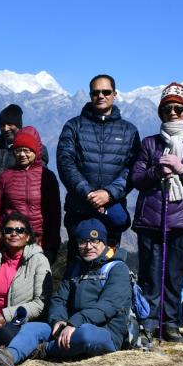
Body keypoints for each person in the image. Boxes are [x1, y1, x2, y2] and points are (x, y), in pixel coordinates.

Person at [0, 218, 131, 366]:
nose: (89, 247)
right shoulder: (75, 268)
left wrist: (75, 322)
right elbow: (59, 299)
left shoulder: (117, 268)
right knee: (32, 328)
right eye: (83, 242)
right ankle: (8, 357)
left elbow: (108, 306)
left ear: (104, 242)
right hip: (70, 326)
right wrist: (59, 320)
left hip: (106, 331)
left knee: (86, 335)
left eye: (95, 241)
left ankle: (42, 349)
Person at [130, 82, 183, 343]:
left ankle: (171, 323)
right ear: (161, 113)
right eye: (168, 109)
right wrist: (156, 172)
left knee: (175, 275)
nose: (173, 113)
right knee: (150, 274)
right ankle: (150, 321)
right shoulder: (149, 144)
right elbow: (136, 178)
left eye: (178, 108)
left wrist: (182, 170)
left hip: (182, 221)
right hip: (151, 219)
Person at [57, 74, 140, 252]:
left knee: (109, 266)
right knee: (77, 266)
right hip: (79, 210)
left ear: (115, 94)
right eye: (96, 92)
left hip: (111, 211)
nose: (101, 95)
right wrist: (88, 193)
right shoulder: (73, 126)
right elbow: (65, 163)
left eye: (106, 91)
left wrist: (109, 194)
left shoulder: (129, 131)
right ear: (90, 95)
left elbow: (133, 168)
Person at [0, 213, 52, 347]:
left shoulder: (39, 260)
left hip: (20, 320)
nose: (14, 234)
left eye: (20, 230)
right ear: (2, 235)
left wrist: (6, 316)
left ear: (28, 236)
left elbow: (39, 303)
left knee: (4, 335)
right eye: (8, 230)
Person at [0, 104, 49, 256]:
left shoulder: (34, 150)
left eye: (10, 124)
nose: (6, 128)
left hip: (20, 223)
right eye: (2, 125)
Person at [0, 126, 61, 259]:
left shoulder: (47, 177)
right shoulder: (5, 177)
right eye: (18, 150)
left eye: (27, 150)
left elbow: (54, 214)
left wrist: (52, 245)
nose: (22, 155)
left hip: (38, 243)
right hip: (10, 242)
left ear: (36, 151)